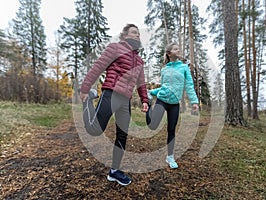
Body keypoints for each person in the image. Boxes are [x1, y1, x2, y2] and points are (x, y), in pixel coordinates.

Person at [80, 24, 149, 186]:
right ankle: (89, 100)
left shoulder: (139, 60)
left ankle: (115, 171)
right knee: (94, 130)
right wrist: (85, 88)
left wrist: (145, 100)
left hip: (126, 101)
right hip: (111, 93)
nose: (137, 35)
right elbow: (98, 66)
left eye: (139, 33)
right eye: (134, 32)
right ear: (125, 35)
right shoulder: (115, 48)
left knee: (122, 136)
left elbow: (141, 83)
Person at [146, 42, 199, 169]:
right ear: (169, 53)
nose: (178, 50)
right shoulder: (164, 69)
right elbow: (164, 87)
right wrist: (152, 93)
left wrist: (194, 101)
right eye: (175, 49)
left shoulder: (184, 68)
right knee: (152, 125)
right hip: (162, 100)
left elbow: (189, 86)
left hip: (175, 104)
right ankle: (148, 105)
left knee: (171, 130)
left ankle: (170, 157)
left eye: (178, 48)